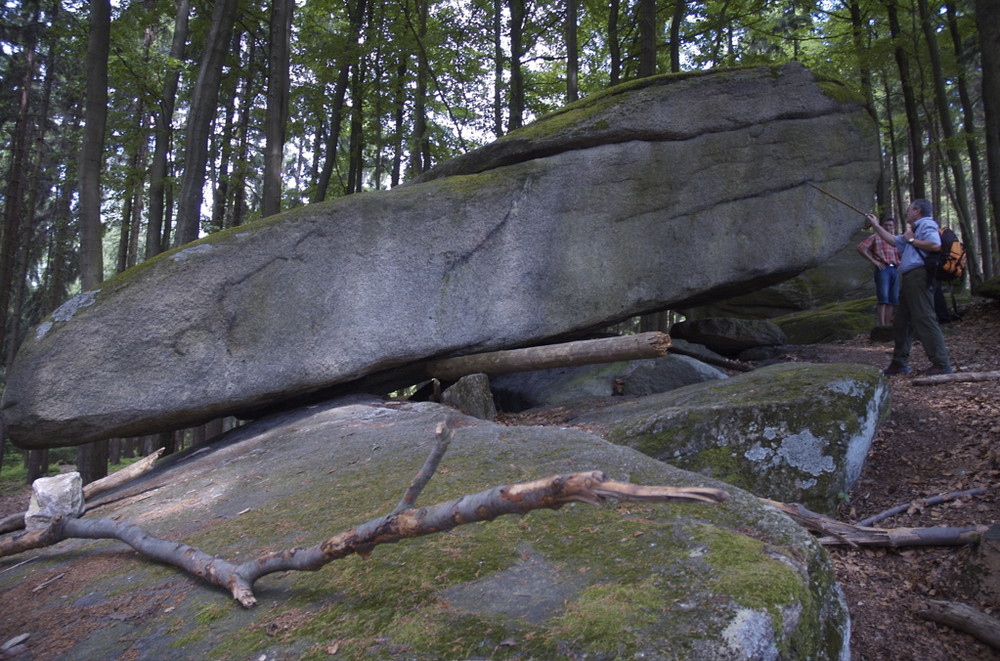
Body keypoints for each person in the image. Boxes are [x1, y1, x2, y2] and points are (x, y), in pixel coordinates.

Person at [865, 199, 953, 376]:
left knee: (924, 318)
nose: (906, 212)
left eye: (909, 209)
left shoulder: (926, 224)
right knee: (902, 322)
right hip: (910, 278)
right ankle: (899, 363)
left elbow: (935, 245)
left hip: (919, 276)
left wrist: (911, 239)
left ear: (917, 210)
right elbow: (893, 240)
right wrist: (875, 225)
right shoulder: (915, 229)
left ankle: (941, 363)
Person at [856, 216, 900, 326]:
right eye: (886, 225)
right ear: (882, 225)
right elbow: (861, 247)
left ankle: (888, 324)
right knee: (883, 297)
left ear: (893, 227)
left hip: (894, 269)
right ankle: (882, 324)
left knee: (893, 298)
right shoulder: (875, 237)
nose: (888, 227)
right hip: (883, 268)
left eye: (890, 225)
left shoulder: (895, 239)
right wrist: (874, 261)